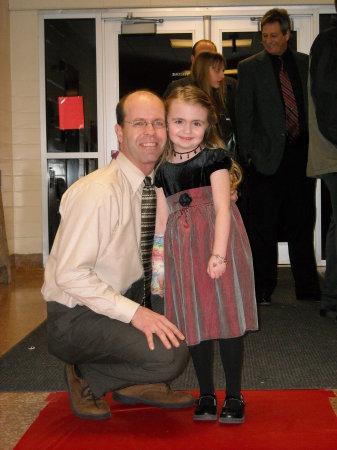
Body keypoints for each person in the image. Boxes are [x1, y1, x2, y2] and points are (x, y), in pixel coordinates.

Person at [41, 90, 195, 421]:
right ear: (119, 132)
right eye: (139, 123)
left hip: (121, 295)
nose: (151, 133)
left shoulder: (151, 185)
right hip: (75, 315)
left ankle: (136, 383)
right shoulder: (99, 193)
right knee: (171, 355)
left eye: (157, 123)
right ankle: (86, 375)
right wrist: (136, 315)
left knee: (191, 321)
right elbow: (69, 275)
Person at [151, 85, 258, 424]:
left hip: (218, 244)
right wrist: (157, 264)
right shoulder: (161, 168)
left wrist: (218, 255)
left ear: (208, 125)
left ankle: (235, 395)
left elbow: (224, 210)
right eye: (179, 121)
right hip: (182, 251)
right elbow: (161, 218)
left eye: (197, 124)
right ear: (165, 123)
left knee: (226, 318)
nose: (186, 131)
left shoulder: (214, 159)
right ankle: (207, 393)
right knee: (193, 319)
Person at [237, 8, 321, 305]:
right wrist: (246, 156)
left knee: (302, 222)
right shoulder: (250, 68)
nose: (269, 41)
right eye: (265, 36)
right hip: (265, 160)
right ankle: (262, 290)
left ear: (288, 34)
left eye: (274, 35)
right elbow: (243, 115)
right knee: (263, 227)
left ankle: (309, 289)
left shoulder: (305, 64)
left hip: (300, 157)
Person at [307, 2, 337, 321]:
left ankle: (331, 298)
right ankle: (332, 299)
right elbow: (327, 101)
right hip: (333, 149)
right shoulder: (329, 41)